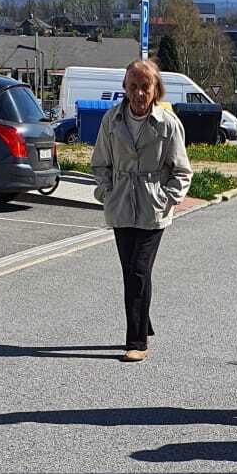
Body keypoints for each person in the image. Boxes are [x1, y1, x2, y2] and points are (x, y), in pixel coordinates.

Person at [90, 58, 193, 360]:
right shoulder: (111, 121)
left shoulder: (168, 124)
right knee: (132, 272)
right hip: (121, 204)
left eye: (145, 87)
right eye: (133, 86)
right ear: (124, 87)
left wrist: (167, 197)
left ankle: (136, 343)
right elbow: (100, 163)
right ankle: (142, 321)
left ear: (155, 89)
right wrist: (106, 191)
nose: (138, 93)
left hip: (152, 208)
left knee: (138, 269)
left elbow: (182, 170)